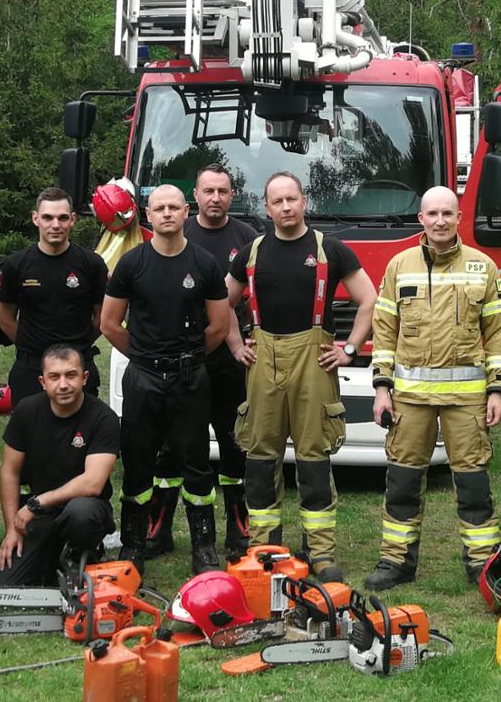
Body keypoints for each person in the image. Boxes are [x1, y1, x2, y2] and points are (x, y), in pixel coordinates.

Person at [227, 172, 375, 582]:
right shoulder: (252, 252)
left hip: (315, 360)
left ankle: (321, 553)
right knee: (260, 458)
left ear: (304, 201)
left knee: (314, 459)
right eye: (278, 201)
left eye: (292, 199)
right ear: (267, 206)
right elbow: (221, 303)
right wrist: (237, 345)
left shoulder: (331, 250)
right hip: (263, 360)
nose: (286, 207)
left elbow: (370, 300)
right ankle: (264, 547)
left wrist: (348, 349)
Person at [363, 187, 501, 591]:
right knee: (403, 483)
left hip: (467, 399)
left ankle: (482, 565)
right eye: (433, 214)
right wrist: (381, 388)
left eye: (448, 213)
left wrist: (497, 390)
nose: (440, 220)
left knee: (474, 483)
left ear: (459, 217)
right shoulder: (399, 266)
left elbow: (497, 334)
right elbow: (385, 331)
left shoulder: (483, 267)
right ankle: (396, 562)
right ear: (421, 220)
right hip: (410, 399)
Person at [100, 185, 232, 574]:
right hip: (142, 380)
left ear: (186, 211)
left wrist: (185, 359)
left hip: (191, 379)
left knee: (196, 465)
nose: (168, 213)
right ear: (148, 214)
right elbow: (109, 323)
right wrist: (144, 357)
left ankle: (204, 549)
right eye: (160, 208)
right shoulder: (131, 264)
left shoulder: (205, 264)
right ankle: (133, 547)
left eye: (175, 206)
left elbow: (220, 327)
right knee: (138, 465)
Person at [169, 163, 259, 560]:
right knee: (174, 448)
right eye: (208, 191)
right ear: (196, 196)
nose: (215, 198)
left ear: (232, 195)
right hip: (181, 357)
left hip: (229, 359)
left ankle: (239, 532)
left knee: (233, 444)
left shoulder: (248, 238)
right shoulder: (179, 234)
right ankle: (159, 529)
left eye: (223, 191)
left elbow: (262, 289)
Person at [0, 345, 122, 585]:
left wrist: (36, 503)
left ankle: (83, 552)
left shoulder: (104, 418)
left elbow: (93, 483)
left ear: (85, 378)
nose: (63, 384)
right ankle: (54, 557)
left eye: (71, 375)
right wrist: (12, 529)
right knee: (4, 581)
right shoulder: (26, 411)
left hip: (86, 509)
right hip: (41, 513)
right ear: (43, 382)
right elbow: (9, 473)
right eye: (54, 377)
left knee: (80, 514)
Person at [0, 187, 107, 406]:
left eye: (62, 218)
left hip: (78, 366)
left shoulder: (92, 265)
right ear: (35, 218)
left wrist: (76, 348)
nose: (55, 225)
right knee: (29, 437)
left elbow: (101, 319)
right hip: (31, 368)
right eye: (48, 217)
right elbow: (5, 319)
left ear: (73, 219)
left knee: (79, 437)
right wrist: (32, 345)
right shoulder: (15, 265)